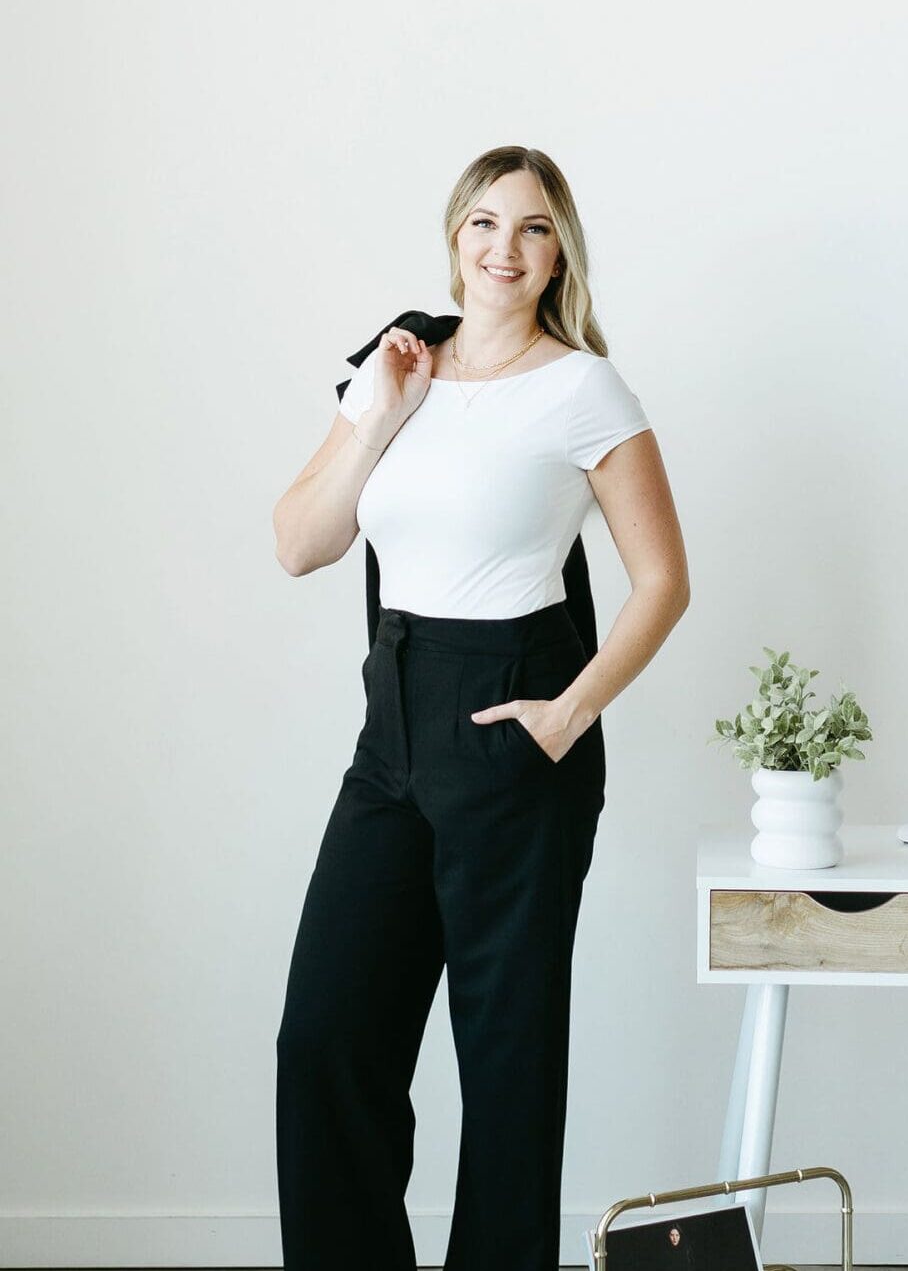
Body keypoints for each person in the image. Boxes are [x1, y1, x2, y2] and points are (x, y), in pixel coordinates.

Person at [269, 145, 689, 1271]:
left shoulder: (583, 387)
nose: (507, 248)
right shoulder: (396, 363)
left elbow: (663, 583)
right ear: (455, 235)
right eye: (487, 223)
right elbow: (300, 544)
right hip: (393, 730)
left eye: (535, 228)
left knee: (505, 1069)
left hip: (513, 725)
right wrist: (379, 413)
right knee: (327, 1040)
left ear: (561, 255)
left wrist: (568, 714)